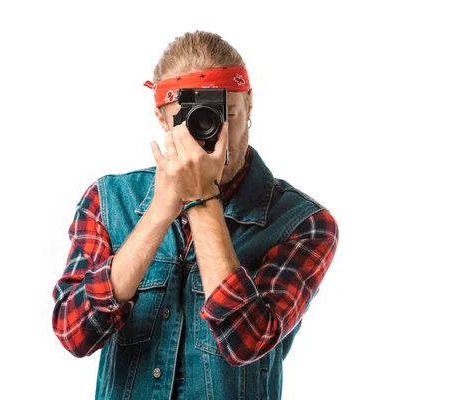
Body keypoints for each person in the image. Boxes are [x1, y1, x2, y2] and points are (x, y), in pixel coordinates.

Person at [51, 30, 339, 400]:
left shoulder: (304, 222)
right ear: (161, 117)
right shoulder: (109, 201)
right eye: (191, 119)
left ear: (250, 106)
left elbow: (247, 341)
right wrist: (159, 212)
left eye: (225, 115)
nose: (211, 134)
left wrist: (202, 200)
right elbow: (74, 333)